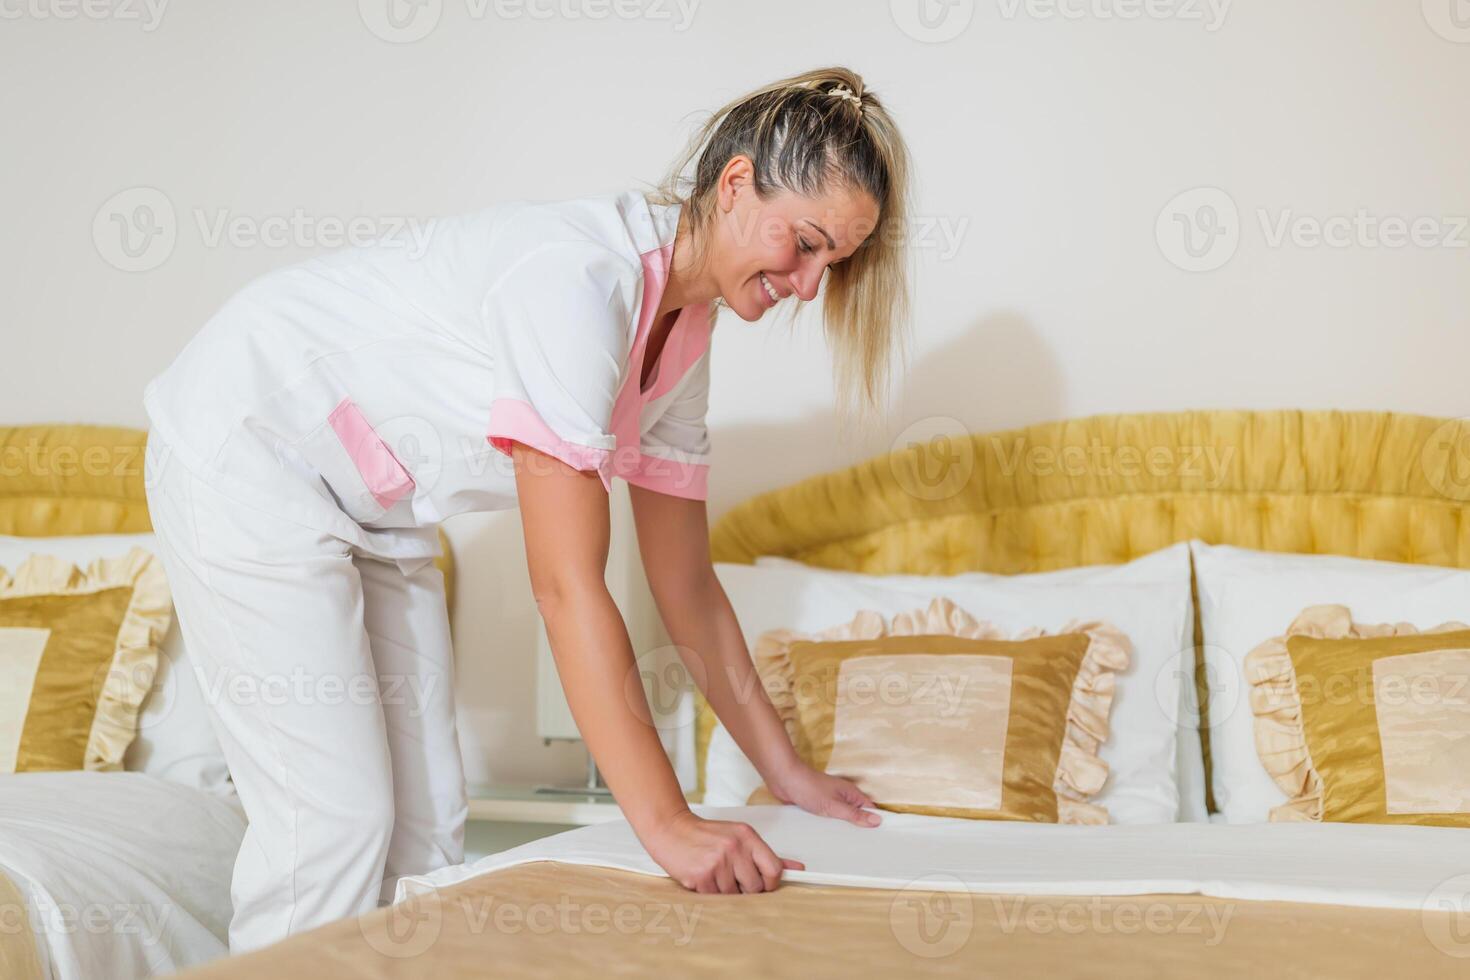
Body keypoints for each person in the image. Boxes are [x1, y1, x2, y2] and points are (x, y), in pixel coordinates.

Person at [141, 65, 912, 953]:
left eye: (834, 263)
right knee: (332, 826)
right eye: (806, 244)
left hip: (375, 512)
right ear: (735, 184)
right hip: (249, 450)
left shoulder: (686, 340)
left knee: (429, 826)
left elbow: (687, 586)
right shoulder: (577, 284)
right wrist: (667, 826)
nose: (811, 287)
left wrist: (785, 773)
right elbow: (565, 587)